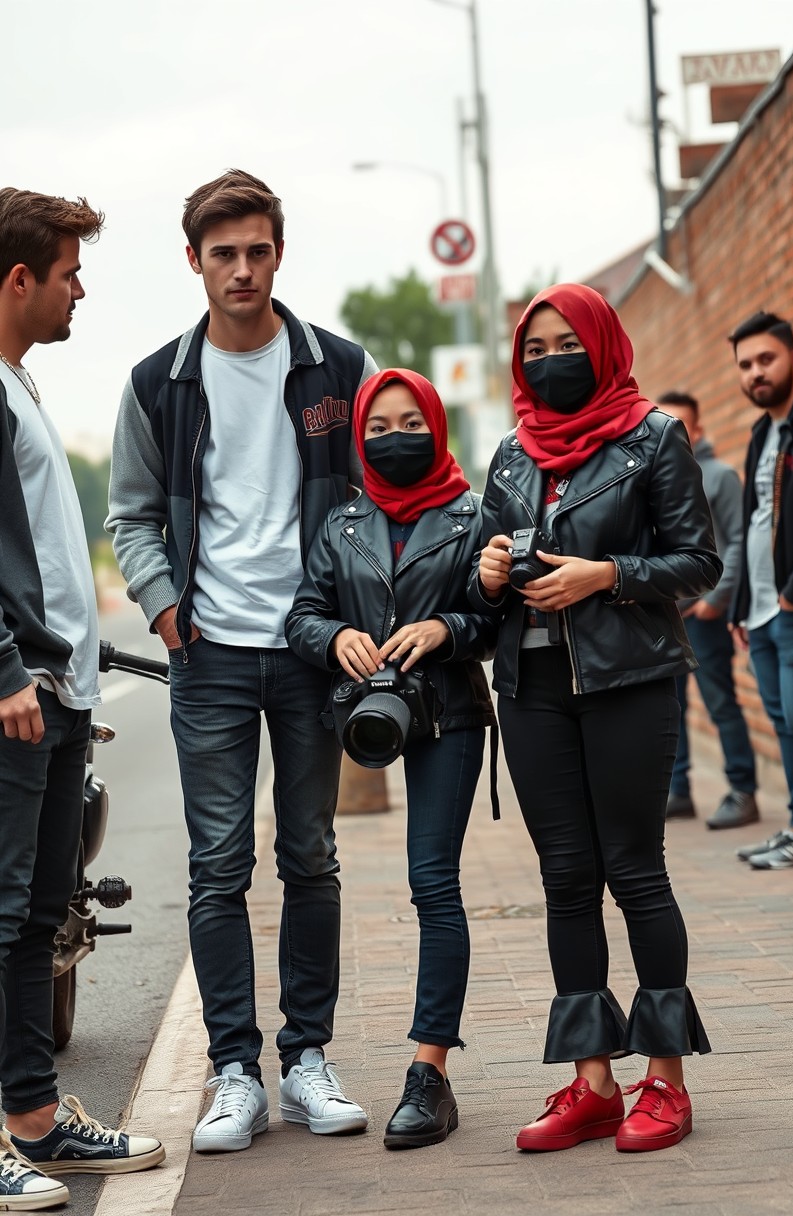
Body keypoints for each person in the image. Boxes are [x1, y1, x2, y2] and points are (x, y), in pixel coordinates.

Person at [106, 170, 377, 1153]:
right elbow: (131, 515)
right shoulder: (155, 382)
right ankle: (234, 1070)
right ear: (195, 262)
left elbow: (380, 497)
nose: (243, 269)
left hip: (313, 653)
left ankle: (306, 1059)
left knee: (310, 855)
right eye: (223, 253)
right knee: (217, 865)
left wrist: (365, 608)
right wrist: (166, 609)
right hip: (210, 653)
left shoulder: (339, 368)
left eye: (258, 249)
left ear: (278, 253)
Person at [471, 283, 721, 1154]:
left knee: (635, 870)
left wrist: (604, 574)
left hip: (628, 681)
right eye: (532, 349)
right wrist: (491, 569)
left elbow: (698, 561)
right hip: (532, 684)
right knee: (566, 879)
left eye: (562, 343)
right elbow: (483, 569)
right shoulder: (509, 453)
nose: (547, 361)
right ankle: (591, 1084)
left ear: (602, 343)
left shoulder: (653, 436)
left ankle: (665, 1081)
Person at [0, 187, 164, 1210]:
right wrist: (5, 671)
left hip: (52, 694)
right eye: (68, 272)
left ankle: (33, 1117)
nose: (80, 288)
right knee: (0, 910)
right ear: (18, 279)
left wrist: (71, 679)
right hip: (14, 695)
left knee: (30, 919)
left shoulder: (17, 385)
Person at [285, 368, 496, 1149]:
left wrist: (447, 628)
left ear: (436, 427)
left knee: (432, 881)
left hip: (449, 714)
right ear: (359, 440)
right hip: (364, 713)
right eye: (378, 428)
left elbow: (494, 612)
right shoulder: (341, 523)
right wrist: (333, 636)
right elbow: (303, 614)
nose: (394, 437)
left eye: (411, 424)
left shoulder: (474, 514)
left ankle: (429, 1072)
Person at [729, 311, 793, 870]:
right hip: (764, 610)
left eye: (765, 359)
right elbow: (753, 523)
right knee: (785, 719)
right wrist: (745, 603)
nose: (755, 373)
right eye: (745, 365)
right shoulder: (762, 432)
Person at [656, 391, 758, 829]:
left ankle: (743, 790)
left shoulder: (718, 476)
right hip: (665, 616)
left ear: (696, 430)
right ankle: (679, 792)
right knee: (669, 708)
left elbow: (737, 540)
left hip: (703, 617)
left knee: (720, 703)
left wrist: (716, 601)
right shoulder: (656, 477)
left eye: (681, 424)